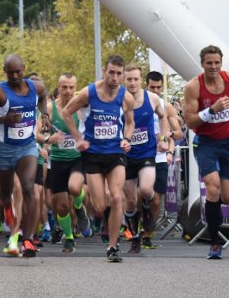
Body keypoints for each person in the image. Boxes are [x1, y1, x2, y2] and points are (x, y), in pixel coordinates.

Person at [59, 54, 136, 263]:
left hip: (115, 152)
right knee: (100, 206)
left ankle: (112, 246)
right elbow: (67, 112)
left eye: (119, 74)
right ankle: (82, 207)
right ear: (105, 71)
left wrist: (127, 139)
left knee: (117, 196)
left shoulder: (125, 96)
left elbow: (130, 122)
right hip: (93, 154)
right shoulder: (88, 92)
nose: (114, 77)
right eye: (111, 72)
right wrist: (78, 139)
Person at [182, 45, 229, 260]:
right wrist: (211, 110)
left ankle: (212, 209)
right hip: (206, 144)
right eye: (209, 63)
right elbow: (190, 121)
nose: (213, 67)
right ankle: (215, 242)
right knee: (212, 188)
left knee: (228, 198)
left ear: (221, 63)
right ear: (202, 64)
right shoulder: (194, 87)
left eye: (216, 63)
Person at [0, 54, 48, 257]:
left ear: (24, 69)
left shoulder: (36, 87)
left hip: (27, 147)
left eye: (18, 71)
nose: (15, 75)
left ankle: (27, 239)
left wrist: (44, 114)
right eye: (11, 72)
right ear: (4, 72)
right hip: (4, 150)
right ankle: (8, 212)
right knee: (5, 194)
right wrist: (4, 119)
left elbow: (43, 98)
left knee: (29, 189)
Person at [121, 65, 172, 254]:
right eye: (129, 79)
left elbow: (163, 116)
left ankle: (147, 208)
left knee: (146, 189)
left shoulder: (152, 98)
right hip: (126, 155)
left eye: (135, 79)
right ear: (123, 80)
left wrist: (163, 139)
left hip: (146, 152)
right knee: (130, 201)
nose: (132, 83)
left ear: (141, 80)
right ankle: (134, 237)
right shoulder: (117, 99)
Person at [39, 73, 86, 253]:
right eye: (64, 87)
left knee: (74, 189)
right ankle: (69, 238)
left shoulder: (81, 108)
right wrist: (50, 138)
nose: (67, 91)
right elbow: (37, 133)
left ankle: (79, 205)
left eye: (71, 87)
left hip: (77, 159)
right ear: (58, 88)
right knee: (61, 206)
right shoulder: (50, 109)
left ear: (76, 88)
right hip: (57, 161)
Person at [144, 71, 182, 249]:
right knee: (138, 195)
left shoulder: (166, 107)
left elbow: (180, 133)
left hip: (159, 157)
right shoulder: (136, 104)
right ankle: (136, 225)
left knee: (156, 200)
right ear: (146, 86)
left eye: (159, 87)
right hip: (140, 155)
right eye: (153, 87)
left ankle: (148, 233)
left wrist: (169, 134)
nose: (156, 91)